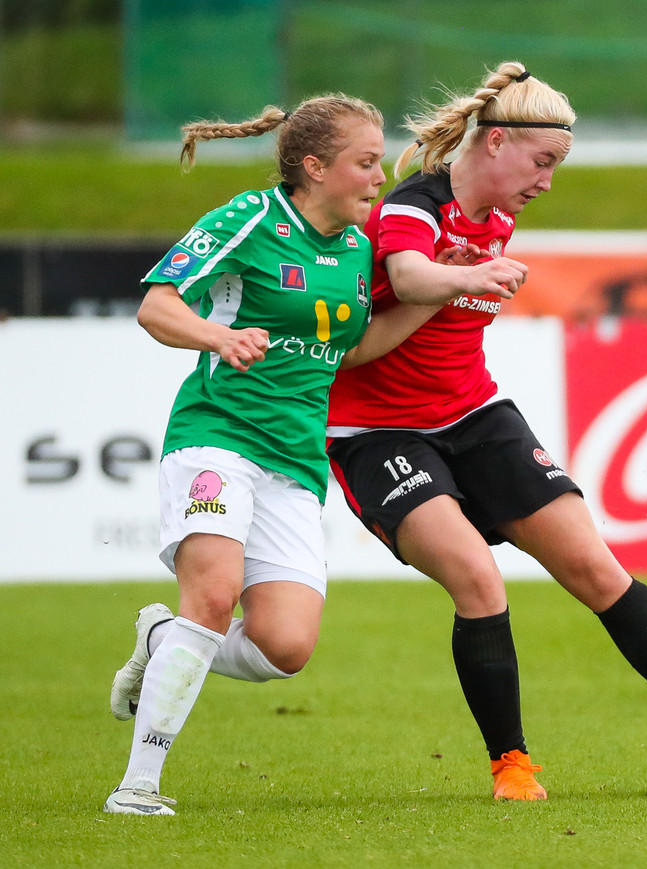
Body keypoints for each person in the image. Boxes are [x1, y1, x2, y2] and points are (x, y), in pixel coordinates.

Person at [325, 61, 647, 801]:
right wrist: (465, 276)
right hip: (377, 431)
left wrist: (471, 271)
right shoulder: (414, 206)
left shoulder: (498, 217)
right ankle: (511, 764)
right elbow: (412, 275)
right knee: (477, 578)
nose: (547, 182)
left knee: (596, 568)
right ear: (495, 142)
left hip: (474, 413)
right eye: (542, 161)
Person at [103, 95, 498, 816]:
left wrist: (439, 289)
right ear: (315, 167)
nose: (379, 177)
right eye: (366, 162)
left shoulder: (357, 250)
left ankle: (162, 635)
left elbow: (355, 349)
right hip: (218, 434)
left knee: (284, 648)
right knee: (213, 597)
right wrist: (219, 336)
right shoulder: (251, 218)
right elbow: (157, 306)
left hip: (295, 461)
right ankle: (138, 786)